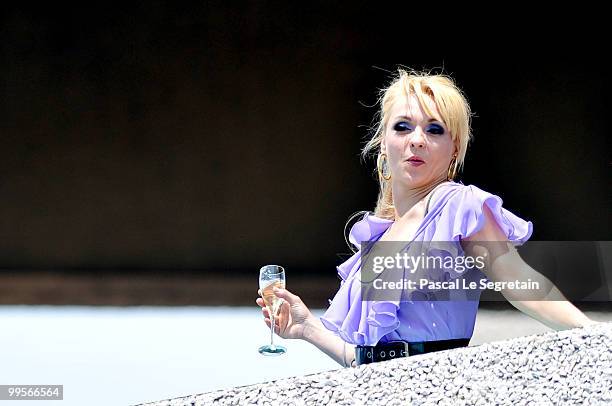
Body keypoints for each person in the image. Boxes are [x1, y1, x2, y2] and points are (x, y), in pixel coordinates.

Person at [255, 69, 598, 368]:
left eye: (435, 130)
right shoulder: (377, 238)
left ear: (454, 148)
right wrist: (307, 329)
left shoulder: (458, 206)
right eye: (403, 127)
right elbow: (364, 358)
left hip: (439, 383)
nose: (417, 140)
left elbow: (518, 279)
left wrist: (591, 333)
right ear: (383, 143)